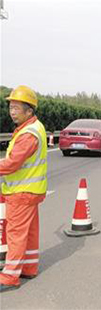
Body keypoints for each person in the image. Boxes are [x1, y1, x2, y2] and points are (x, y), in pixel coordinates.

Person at [0, 86, 47, 291]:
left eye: (17, 108)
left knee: (16, 233)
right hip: (31, 190)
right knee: (29, 232)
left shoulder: (29, 134)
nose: (12, 111)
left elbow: (12, 163)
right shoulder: (33, 127)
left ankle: (10, 277)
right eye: (11, 107)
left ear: (29, 111)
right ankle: (28, 267)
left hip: (22, 191)